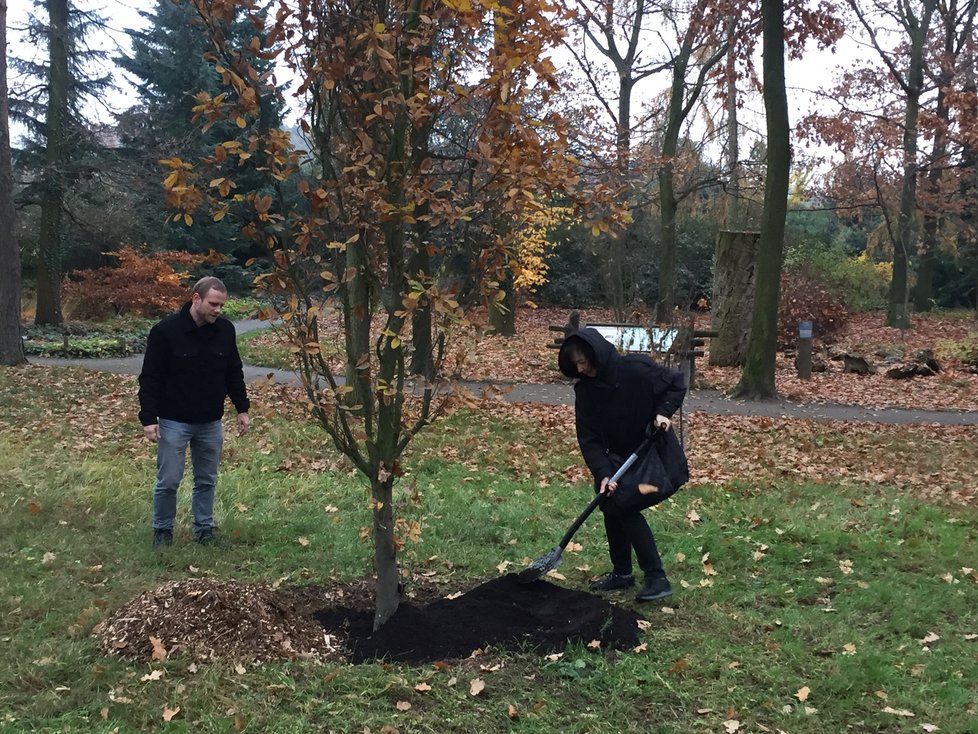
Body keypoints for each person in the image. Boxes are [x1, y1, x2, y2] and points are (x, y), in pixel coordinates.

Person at [558, 327, 687, 601]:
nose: (581, 369)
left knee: (623, 506)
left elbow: (676, 382)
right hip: (617, 458)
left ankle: (657, 577)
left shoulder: (635, 370)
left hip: (654, 455)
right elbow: (589, 437)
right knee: (609, 501)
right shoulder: (586, 391)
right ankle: (622, 573)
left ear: (597, 354)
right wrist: (604, 473)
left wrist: (663, 413)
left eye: (584, 361)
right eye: (576, 364)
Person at [138, 276, 251, 549]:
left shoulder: (225, 330)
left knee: (207, 480)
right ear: (196, 299)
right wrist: (148, 418)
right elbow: (150, 377)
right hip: (173, 420)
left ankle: (204, 531)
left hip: (211, 421)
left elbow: (233, 371)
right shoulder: (165, 332)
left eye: (221, 305)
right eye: (213, 304)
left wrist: (242, 408)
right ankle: (162, 533)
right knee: (169, 481)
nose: (218, 310)